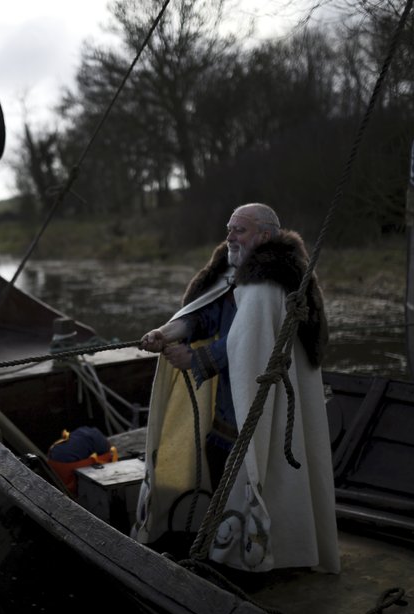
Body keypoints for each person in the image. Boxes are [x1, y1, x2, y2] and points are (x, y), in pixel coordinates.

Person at [131, 203, 340, 574]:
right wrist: (165, 333)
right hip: (228, 412)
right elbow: (204, 314)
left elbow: (248, 341)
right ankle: (221, 550)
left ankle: (258, 562)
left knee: (259, 479)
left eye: (239, 230)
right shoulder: (232, 273)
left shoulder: (275, 283)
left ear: (264, 236)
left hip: (264, 415)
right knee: (222, 487)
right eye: (228, 228)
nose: (229, 237)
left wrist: (196, 360)